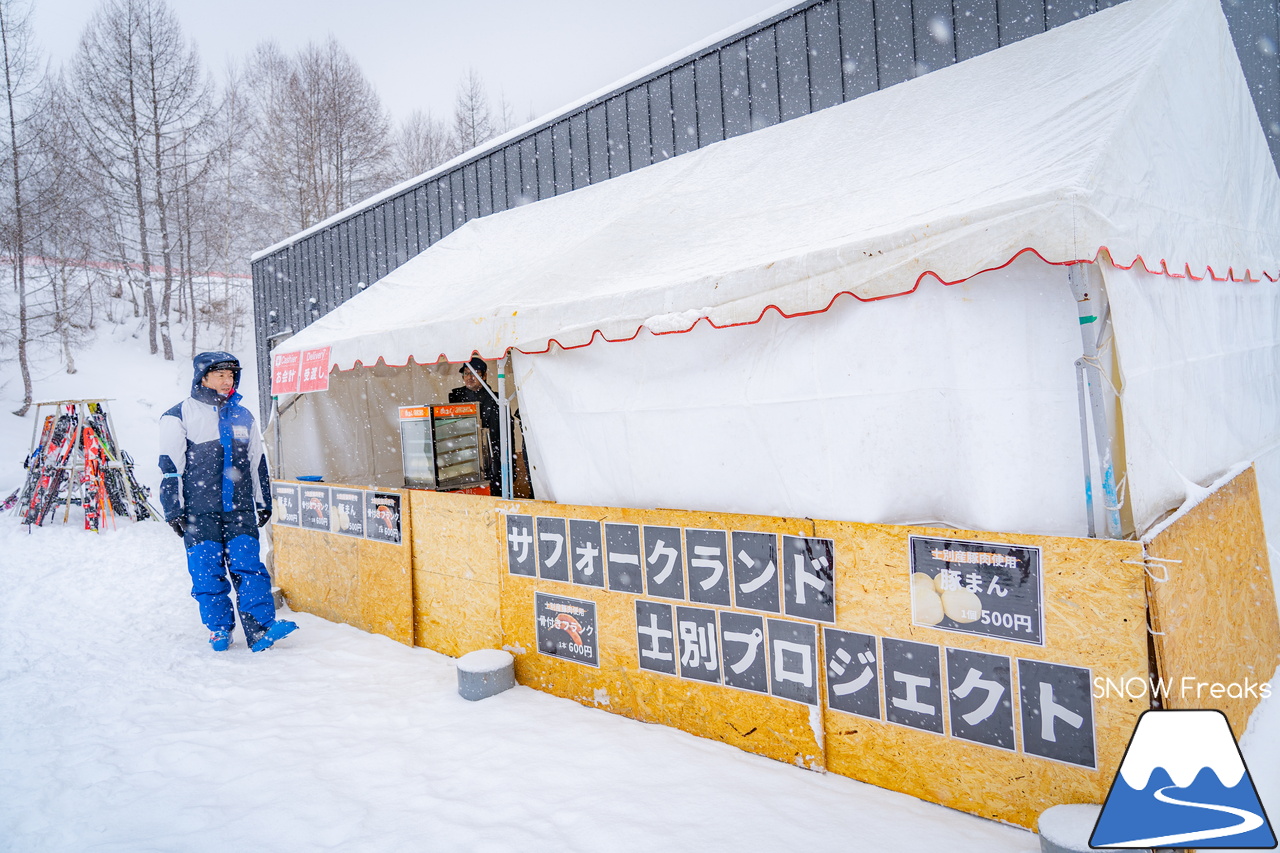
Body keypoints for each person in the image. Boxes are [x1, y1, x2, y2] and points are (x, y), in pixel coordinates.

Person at [159, 351, 298, 653]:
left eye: (231, 374)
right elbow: (171, 467)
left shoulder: (243, 415)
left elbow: (256, 462)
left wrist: (262, 502)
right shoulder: (179, 415)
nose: (227, 380)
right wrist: (174, 509)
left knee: (250, 568)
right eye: (220, 374)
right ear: (203, 378)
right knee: (207, 572)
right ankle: (219, 628)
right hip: (199, 512)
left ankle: (261, 629)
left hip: (239, 509)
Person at [448, 356, 504, 495]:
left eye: (475, 373)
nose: (469, 377)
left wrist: (509, 467)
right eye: (466, 373)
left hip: (492, 460)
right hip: (464, 460)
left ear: (484, 376)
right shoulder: (456, 398)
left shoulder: (497, 399)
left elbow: (507, 435)